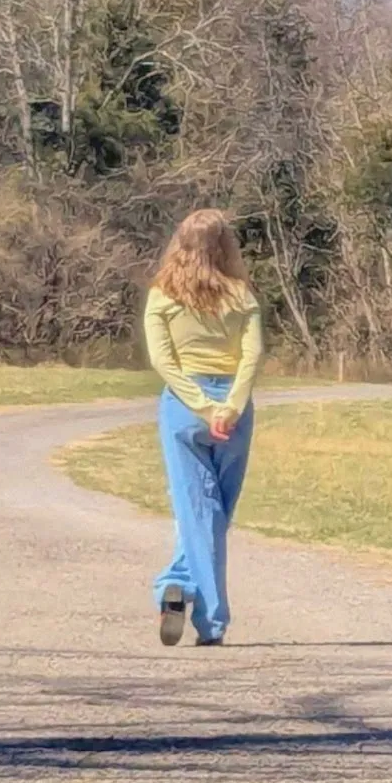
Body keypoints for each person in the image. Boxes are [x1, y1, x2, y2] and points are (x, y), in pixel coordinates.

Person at [143, 209, 264, 648]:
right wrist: (228, 408)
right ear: (226, 246)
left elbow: (163, 359)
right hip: (234, 406)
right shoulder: (241, 295)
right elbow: (251, 356)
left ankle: (176, 582)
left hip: (182, 406)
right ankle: (211, 620)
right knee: (215, 511)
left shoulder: (162, 295)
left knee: (198, 509)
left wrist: (199, 404)